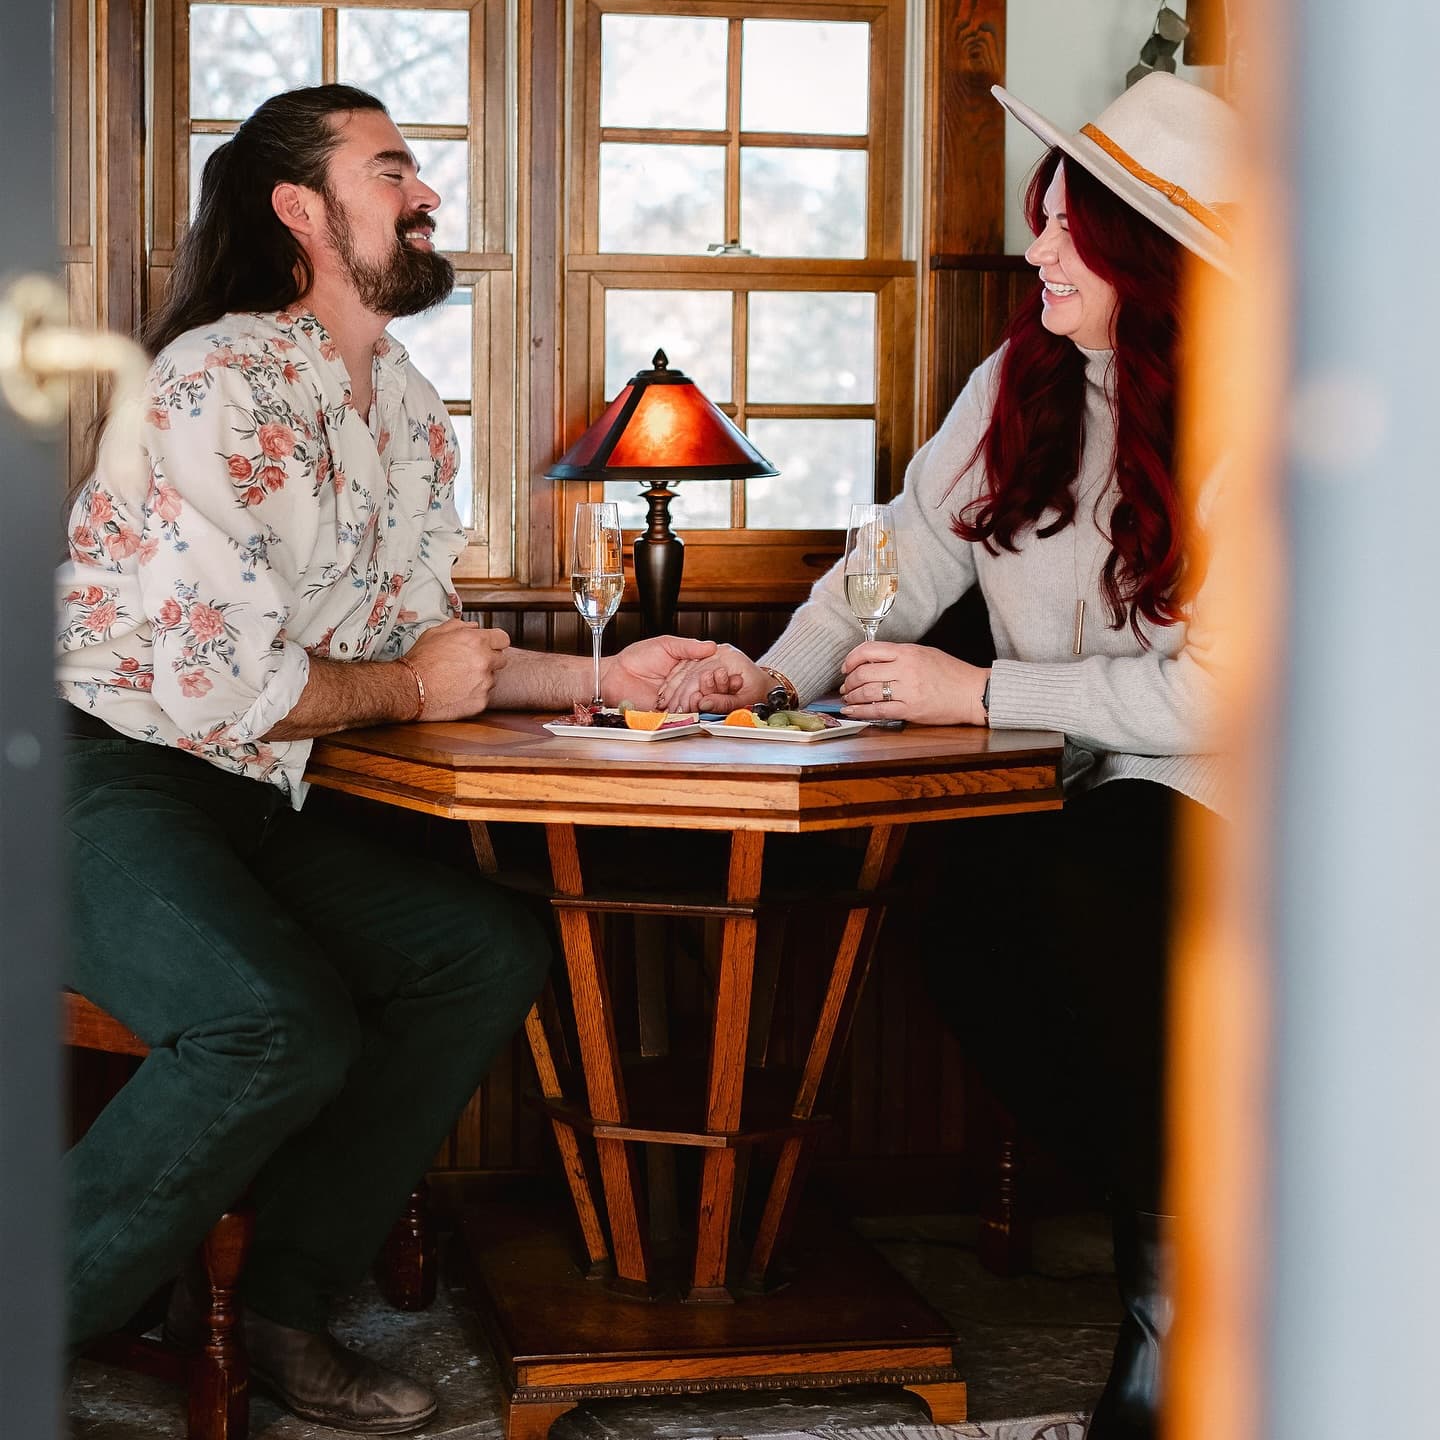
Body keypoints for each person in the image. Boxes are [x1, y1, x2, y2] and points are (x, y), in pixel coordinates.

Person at [57, 84, 727, 1434]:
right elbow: (225, 680)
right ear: (299, 212)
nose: (425, 196)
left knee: (478, 950)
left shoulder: (410, 407)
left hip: (258, 787)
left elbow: (422, 649)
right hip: (99, 780)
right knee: (270, 1026)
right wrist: (410, 686)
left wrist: (603, 675)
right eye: (392, 171)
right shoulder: (215, 383)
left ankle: (280, 1312)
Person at [659, 73, 1240, 1440]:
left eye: (1068, 228)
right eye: (1043, 218)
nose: (1035, 248)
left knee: (1076, 884)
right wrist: (771, 675)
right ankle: (1179, 1243)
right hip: (1068, 798)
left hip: (1239, 810)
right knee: (968, 927)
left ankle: (1175, 1283)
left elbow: (1229, 695)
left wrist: (978, 693)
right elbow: (897, 559)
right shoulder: (1015, 378)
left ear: (1151, 259)